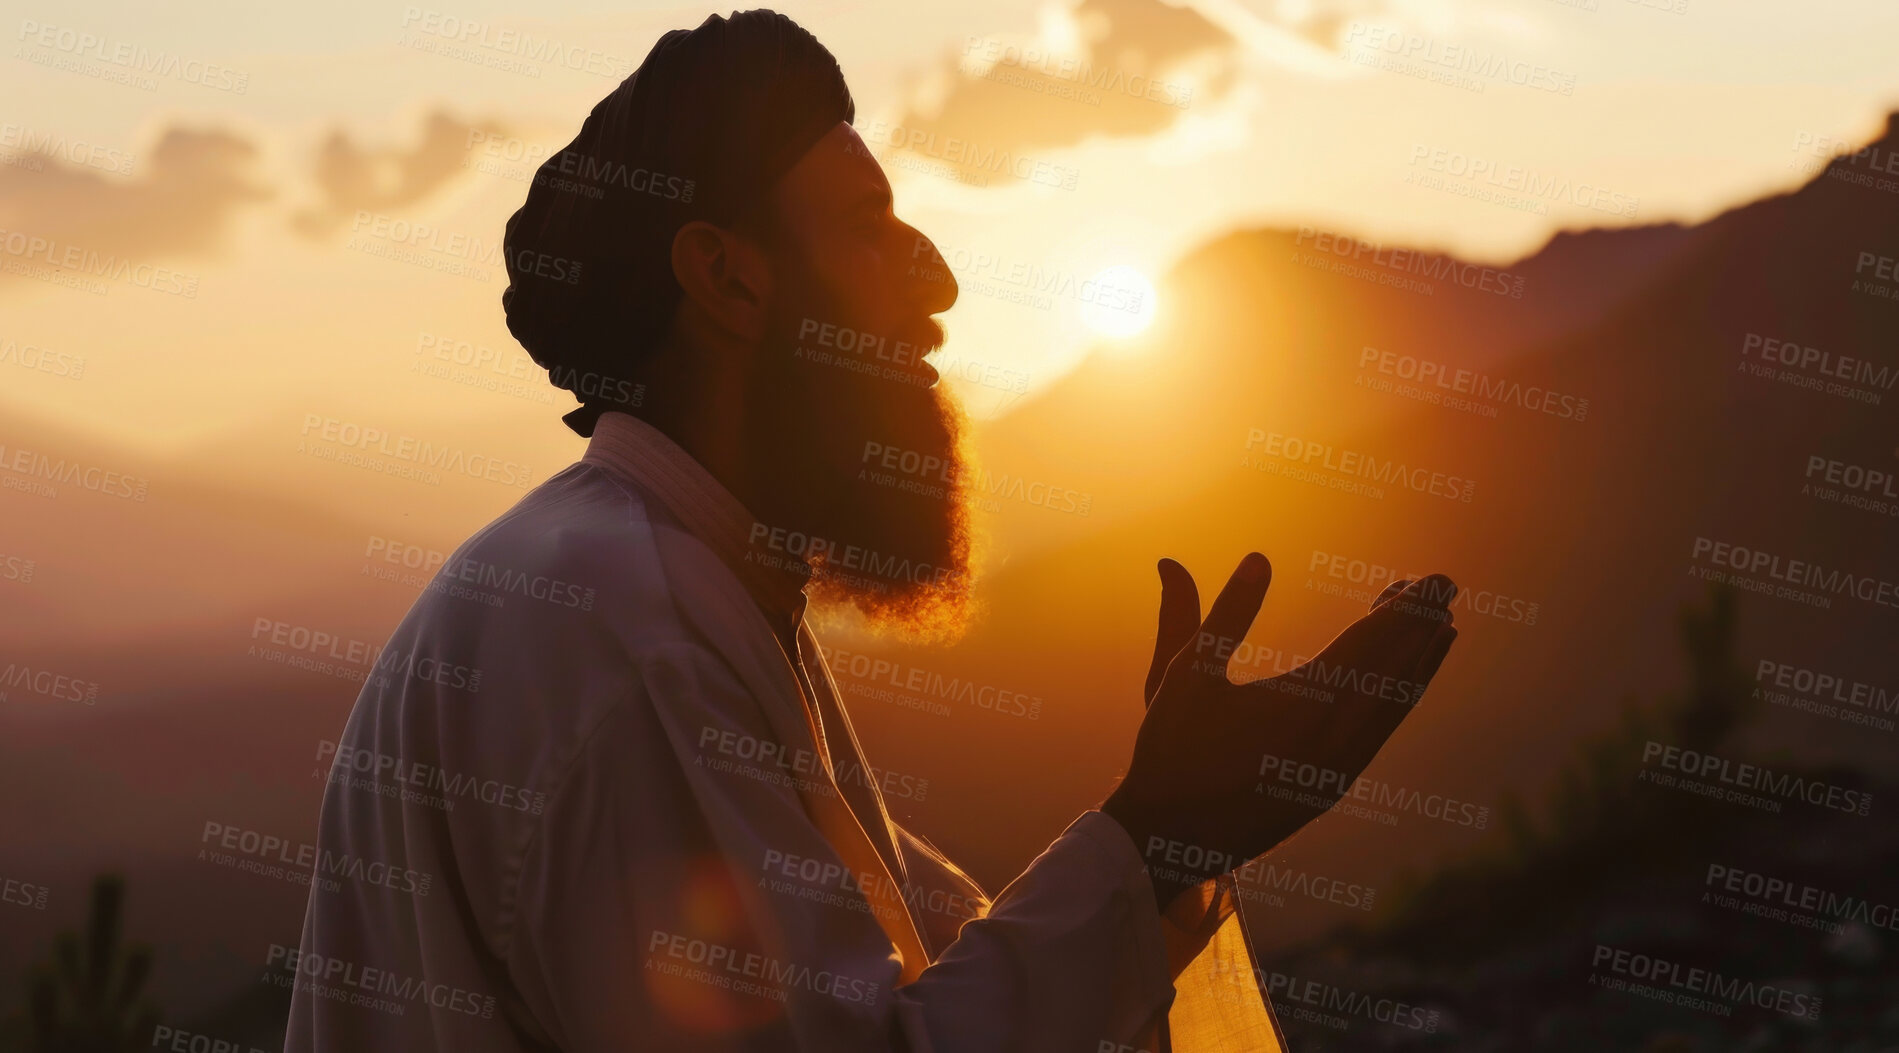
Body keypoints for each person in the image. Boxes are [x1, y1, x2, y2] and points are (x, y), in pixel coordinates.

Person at [284, 10, 1458, 1051]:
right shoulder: (623, 634)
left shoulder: (683, 583)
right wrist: (1157, 831)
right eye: (868, 227)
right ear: (731, 284)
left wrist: (1174, 833)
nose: (935, 281)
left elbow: (922, 970)